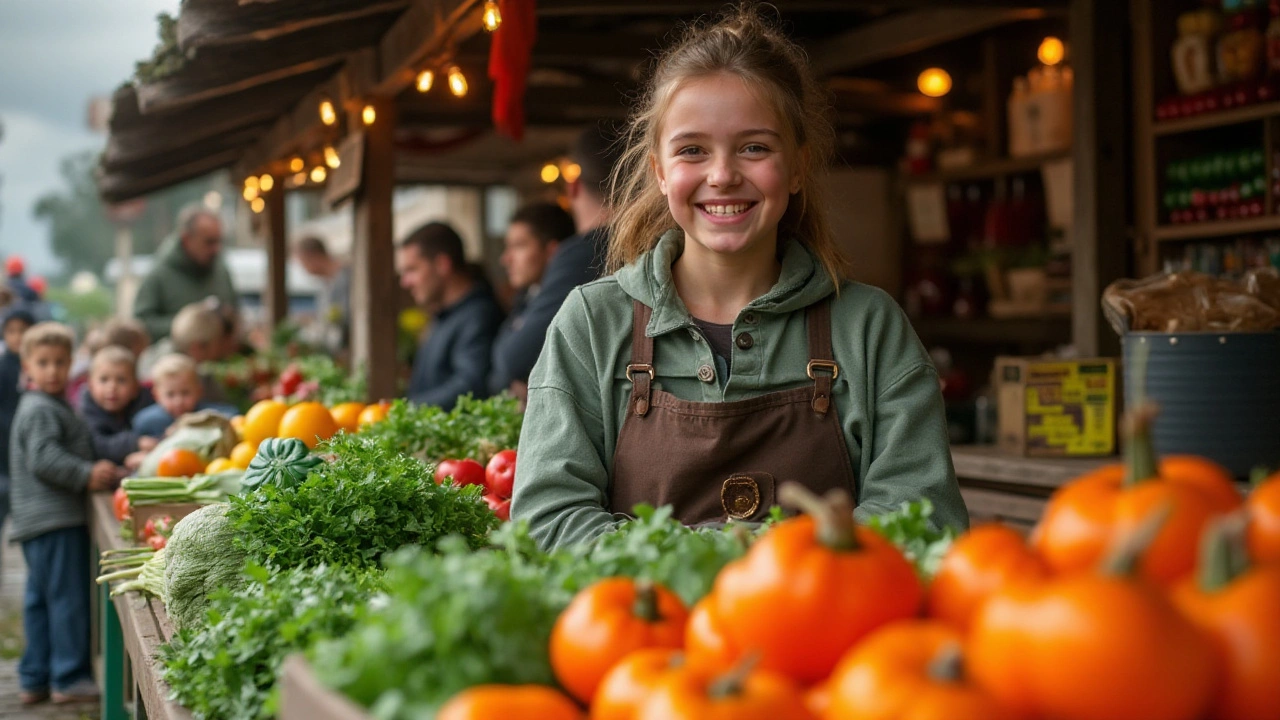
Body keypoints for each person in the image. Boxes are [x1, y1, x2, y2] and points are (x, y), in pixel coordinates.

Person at [511, 8, 968, 550]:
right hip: (647, 632)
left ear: (797, 166)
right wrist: (740, 559)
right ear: (659, 170)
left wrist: (741, 567)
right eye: (692, 150)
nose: (723, 175)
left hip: (823, 631)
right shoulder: (592, 323)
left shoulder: (869, 329)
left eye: (755, 147)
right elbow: (546, 523)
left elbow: (926, 520)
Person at [10, 322, 124, 705]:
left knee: (41, 599)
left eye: (60, 362)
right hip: (54, 519)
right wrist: (86, 473)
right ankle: (69, 676)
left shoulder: (46, 404)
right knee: (68, 598)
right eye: (43, 363)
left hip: (36, 521)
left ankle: (35, 676)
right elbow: (44, 458)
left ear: (72, 362)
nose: (53, 371)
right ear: (26, 364)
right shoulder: (41, 408)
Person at [485, 126, 626, 404]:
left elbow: (515, 359)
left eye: (519, 245)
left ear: (573, 186)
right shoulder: (659, 245)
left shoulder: (583, 253)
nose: (507, 258)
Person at [396, 222, 503, 410]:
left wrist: (405, 409)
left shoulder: (479, 315)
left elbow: (471, 386)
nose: (405, 283)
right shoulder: (445, 314)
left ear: (442, 264)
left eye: (412, 270)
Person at [488, 202, 577, 397]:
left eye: (518, 246)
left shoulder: (567, 300)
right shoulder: (525, 297)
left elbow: (511, 361)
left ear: (553, 251)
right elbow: (497, 374)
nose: (506, 259)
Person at [132, 205, 238, 342]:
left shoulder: (221, 271)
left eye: (219, 241)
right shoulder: (159, 275)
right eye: (209, 242)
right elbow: (141, 325)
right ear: (186, 240)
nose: (216, 249)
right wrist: (188, 326)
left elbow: (236, 310)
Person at [79, 346, 157, 471]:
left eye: (121, 380)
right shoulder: (87, 409)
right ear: (91, 385)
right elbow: (96, 444)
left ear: (135, 388)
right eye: (104, 379)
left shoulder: (147, 403)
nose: (112, 387)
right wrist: (135, 443)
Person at [132, 354, 235, 439]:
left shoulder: (210, 414)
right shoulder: (147, 422)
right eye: (170, 394)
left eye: (185, 393)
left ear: (199, 391)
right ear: (156, 395)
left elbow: (233, 416)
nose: (178, 401)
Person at [0, 309, 34, 540]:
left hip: (28, 447)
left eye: (23, 330)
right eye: (11, 331)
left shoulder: (37, 367)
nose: (17, 336)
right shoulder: (3, 367)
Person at [294, 235, 351, 351]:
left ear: (313, 257)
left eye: (302, 263)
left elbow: (345, 319)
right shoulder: (326, 283)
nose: (303, 269)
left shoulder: (347, 278)